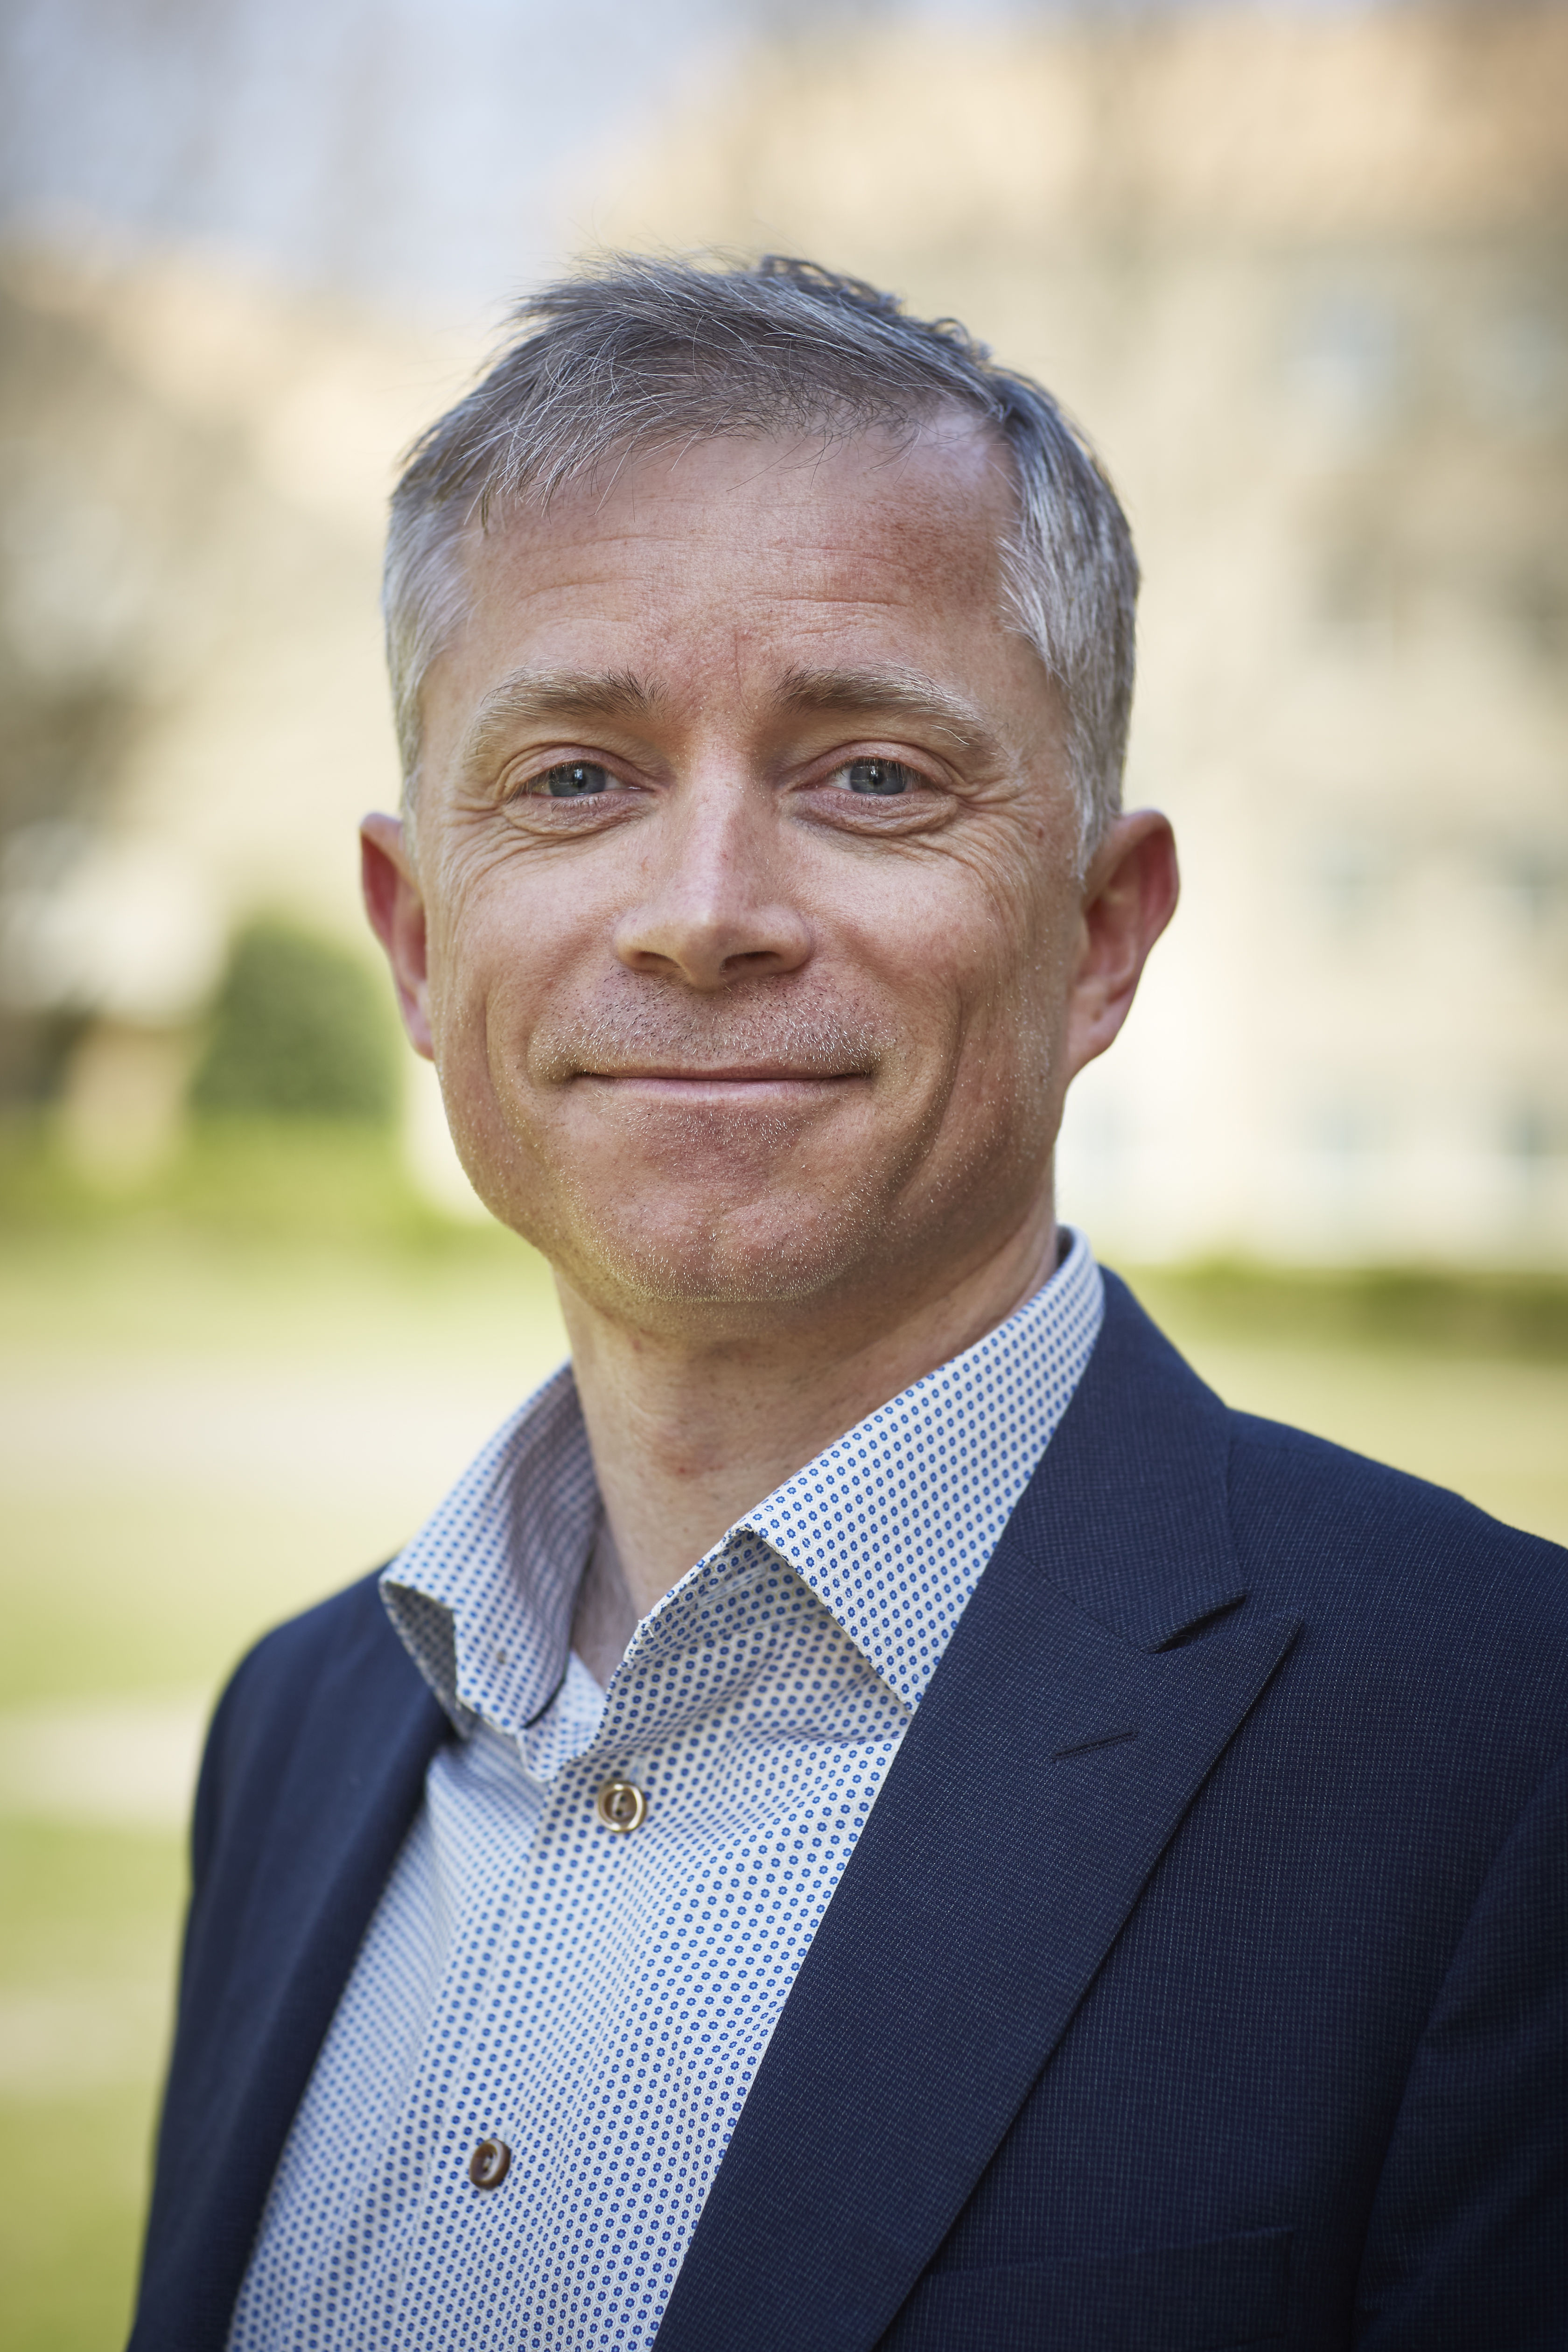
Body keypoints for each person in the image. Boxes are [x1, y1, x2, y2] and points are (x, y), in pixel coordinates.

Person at [129, 257, 1566, 2352]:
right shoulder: (293, 1728)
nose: (705, 913)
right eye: (576, 780)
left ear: (1098, 933)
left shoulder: (1503, 1754)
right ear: (420, 941)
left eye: (874, 775)